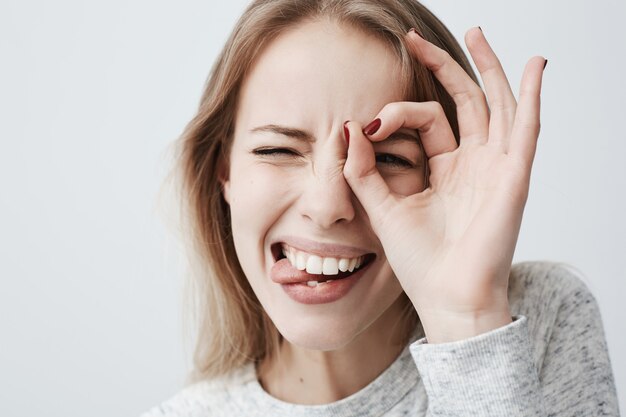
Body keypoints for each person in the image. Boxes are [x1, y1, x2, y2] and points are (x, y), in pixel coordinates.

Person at [142, 0, 620, 415]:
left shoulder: (540, 318)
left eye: (389, 158)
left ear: (440, 178)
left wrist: (466, 320)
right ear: (222, 171)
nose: (328, 206)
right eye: (278, 151)